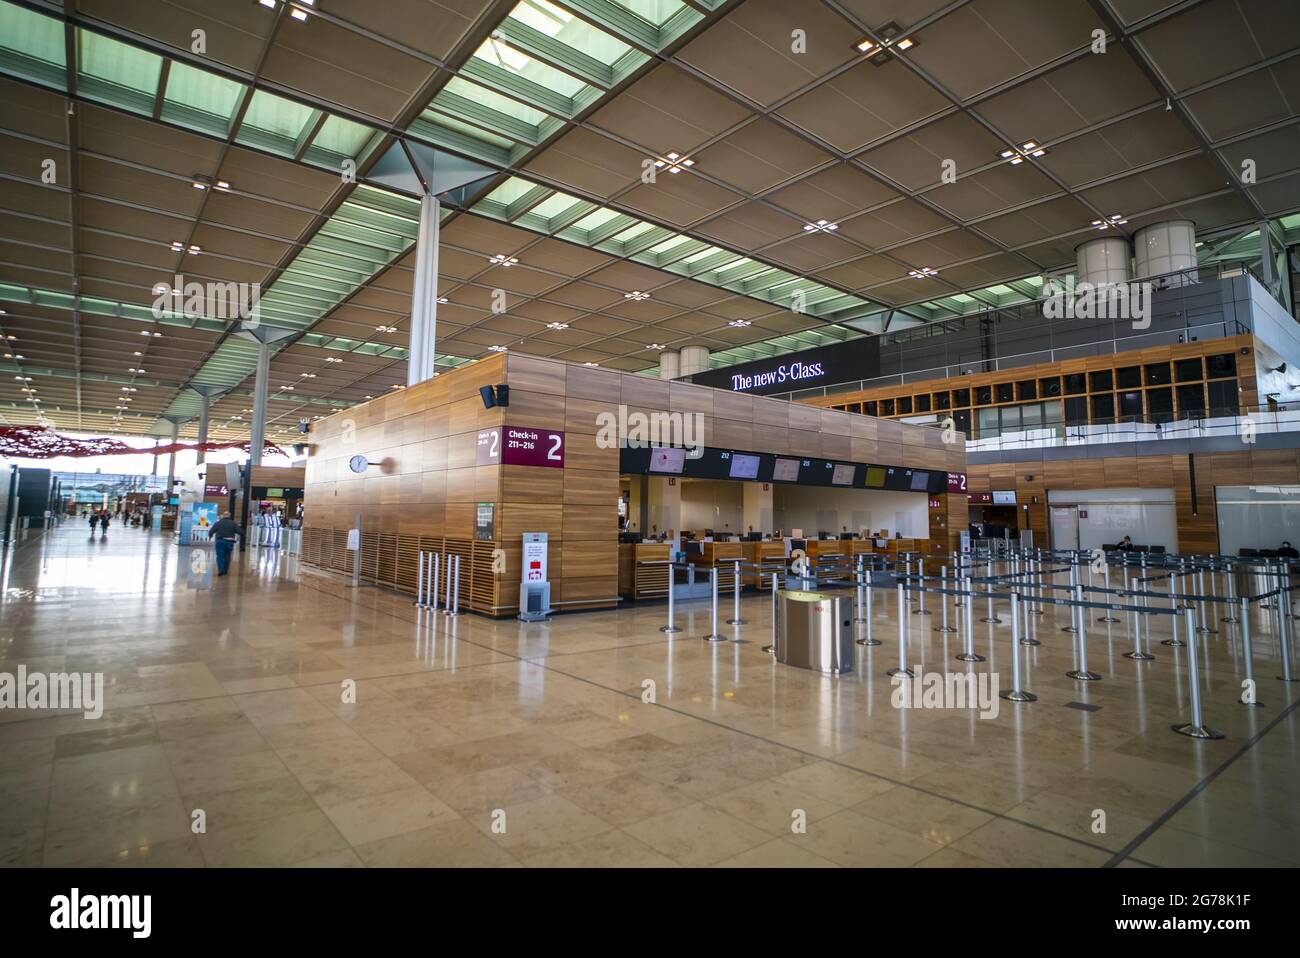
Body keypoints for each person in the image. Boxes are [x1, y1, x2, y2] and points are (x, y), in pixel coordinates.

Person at [208, 512, 242, 576]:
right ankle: (225, 570)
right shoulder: (233, 523)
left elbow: (211, 531)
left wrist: (210, 536)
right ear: (229, 516)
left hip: (220, 541)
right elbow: (240, 531)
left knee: (219, 556)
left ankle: (221, 570)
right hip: (229, 542)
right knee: (227, 556)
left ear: (223, 516)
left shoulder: (218, 523)